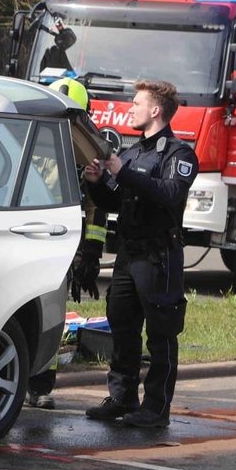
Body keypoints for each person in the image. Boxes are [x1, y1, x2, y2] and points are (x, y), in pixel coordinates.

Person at [83, 80, 198, 428]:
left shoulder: (178, 154)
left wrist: (123, 173)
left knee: (161, 332)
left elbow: (168, 194)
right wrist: (98, 182)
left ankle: (156, 408)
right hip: (127, 256)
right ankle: (121, 396)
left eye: (136, 103)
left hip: (157, 256)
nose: (130, 109)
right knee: (122, 325)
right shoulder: (131, 153)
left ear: (155, 110)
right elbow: (116, 201)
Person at [25, 77, 107, 409]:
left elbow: (96, 207)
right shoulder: (68, 148)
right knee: (45, 316)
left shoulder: (30, 138)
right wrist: (89, 255)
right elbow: (94, 209)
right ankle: (34, 384)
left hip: (47, 241)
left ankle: (39, 384)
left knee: (49, 316)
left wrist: (89, 254)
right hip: (42, 239)